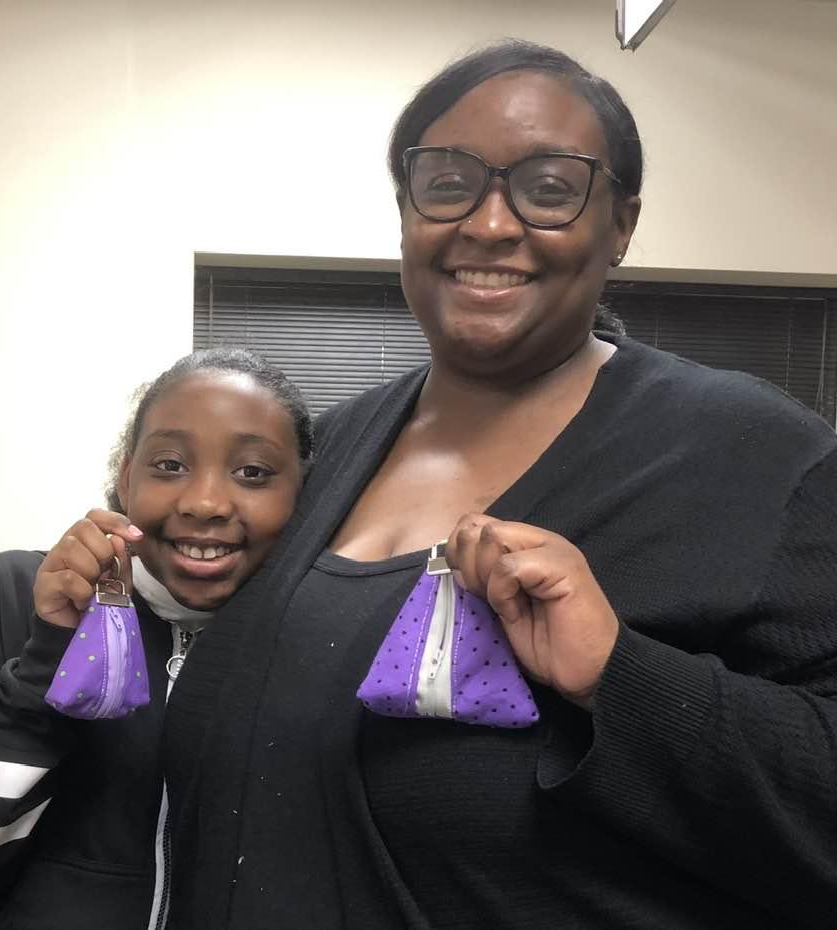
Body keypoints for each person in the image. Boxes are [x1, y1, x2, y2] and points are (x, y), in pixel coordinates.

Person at [161, 40, 837, 930]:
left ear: (621, 225)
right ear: (406, 210)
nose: (488, 224)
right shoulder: (330, 444)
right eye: (448, 181)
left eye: (549, 188)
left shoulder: (755, 454)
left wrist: (618, 680)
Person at [0, 348, 312, 930]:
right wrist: (46, 661)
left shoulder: (313, 639)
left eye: (253, 472)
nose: (205, 503)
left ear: (304, 490)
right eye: (169, 465)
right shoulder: (15, 594)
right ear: (125, 475)